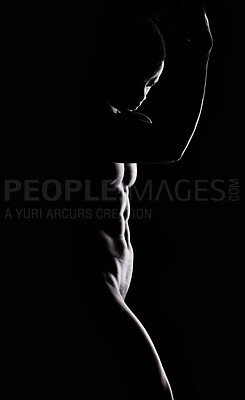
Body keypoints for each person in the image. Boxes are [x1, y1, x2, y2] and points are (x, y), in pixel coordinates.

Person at [72, 1, 213, 398]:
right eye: (134, 79)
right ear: (106, 63)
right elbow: (171, 145)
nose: (141, 95)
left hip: (114, 287)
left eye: (151, 84)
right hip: (93, 287)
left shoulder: (120, 119)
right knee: (156, 391)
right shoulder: (90, 118)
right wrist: (202, 52)